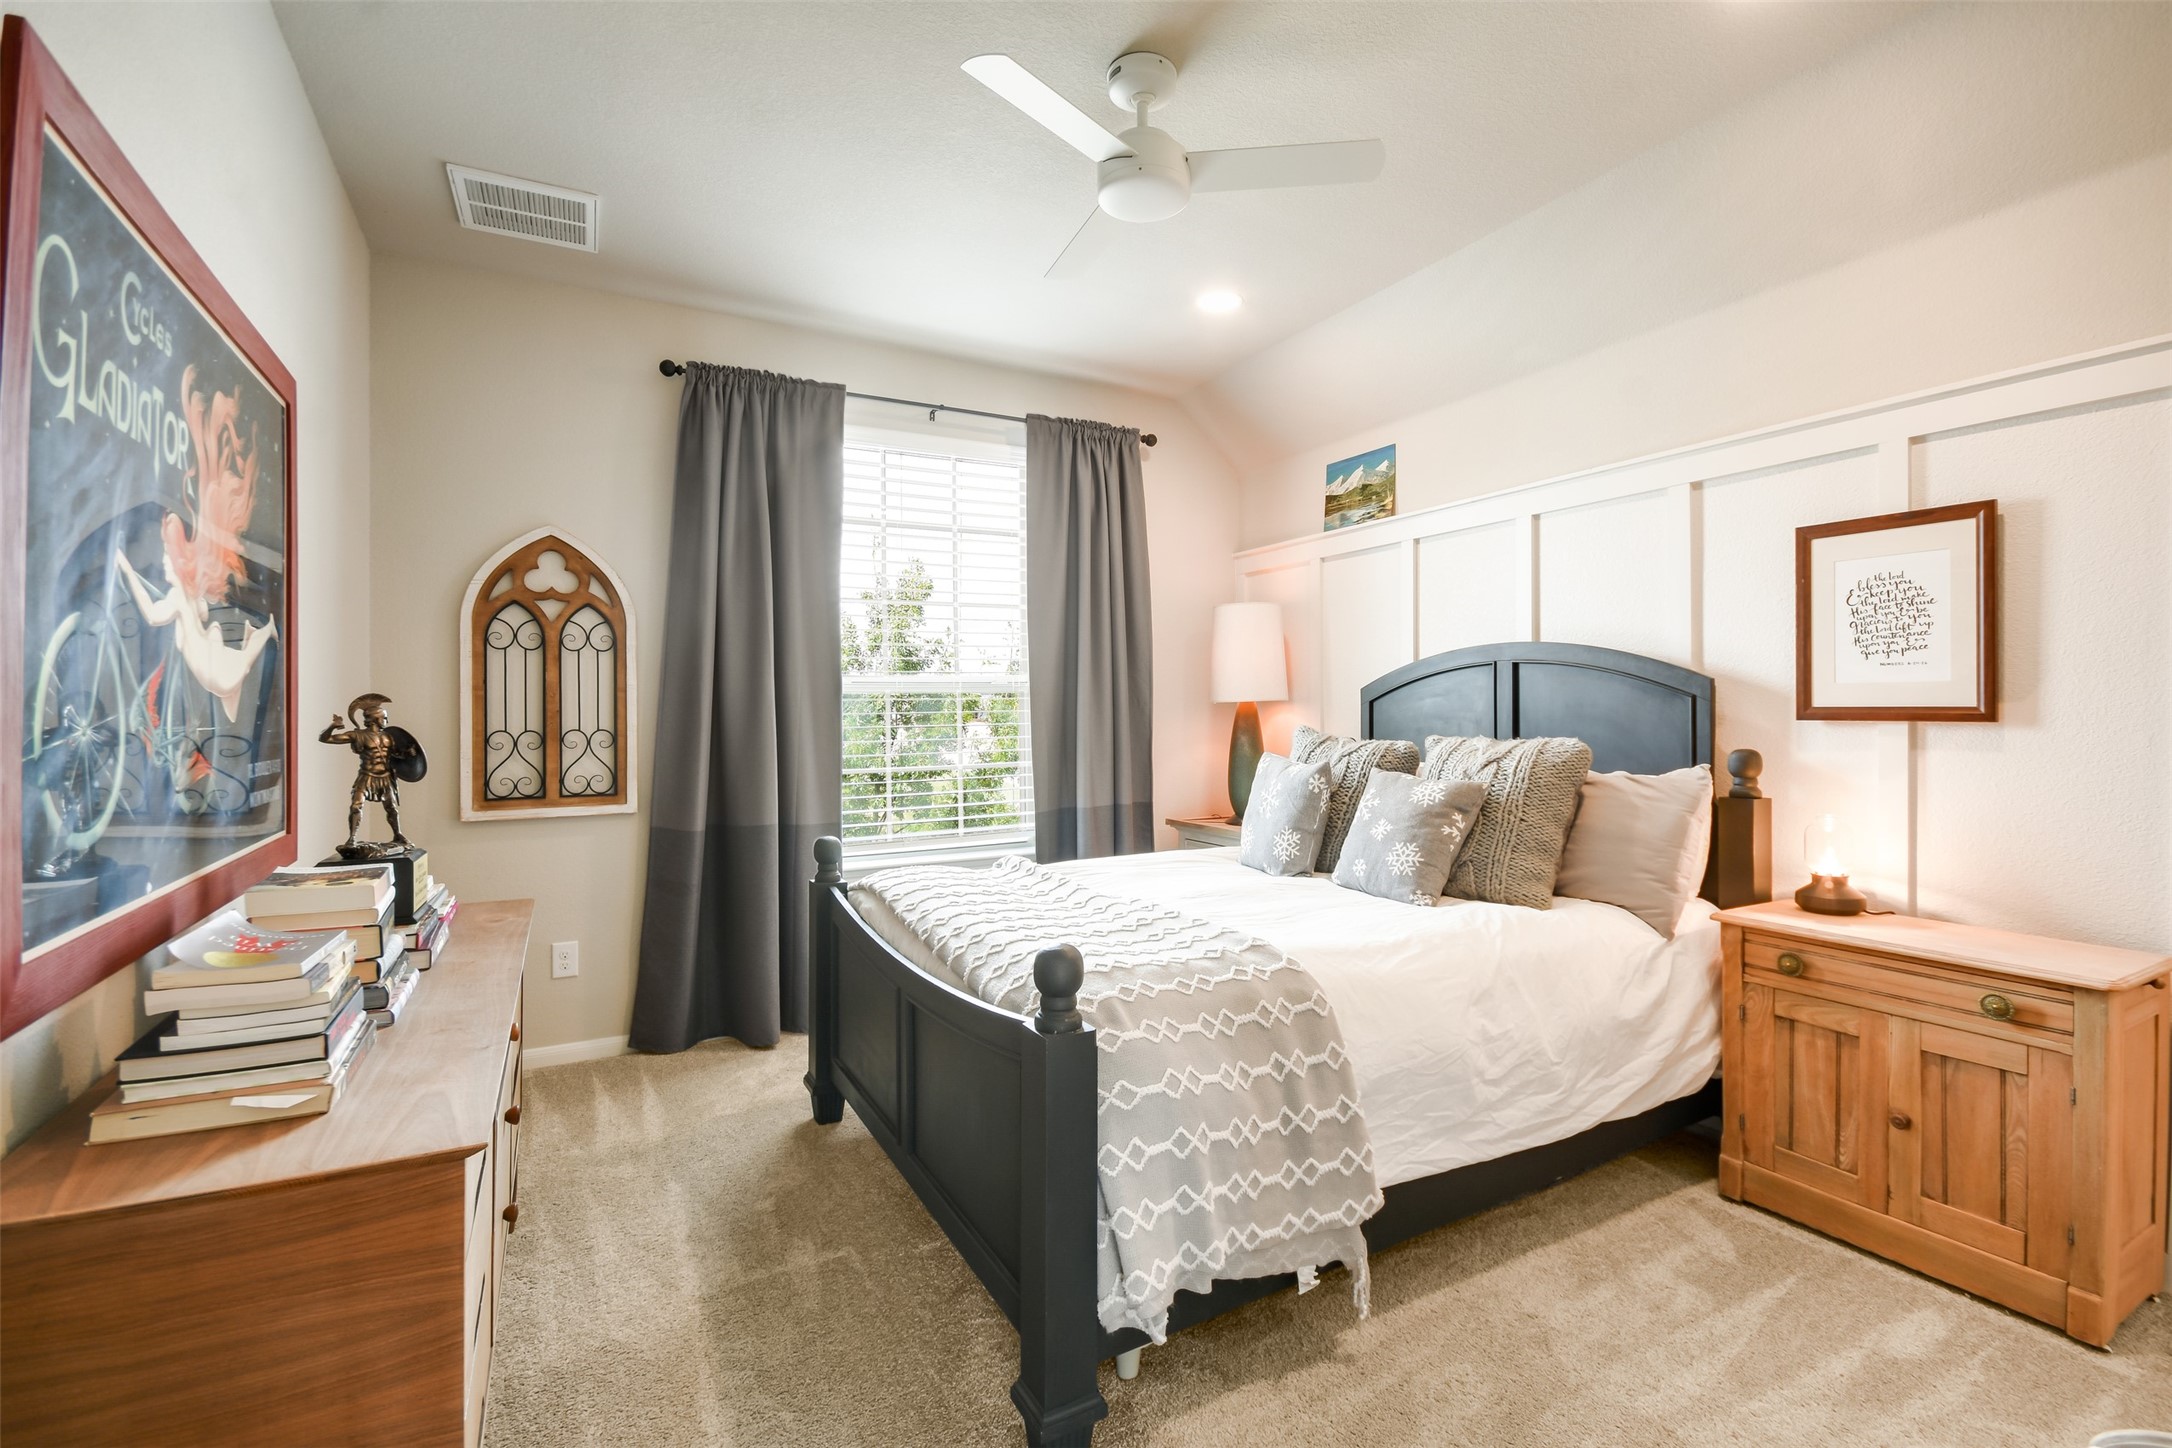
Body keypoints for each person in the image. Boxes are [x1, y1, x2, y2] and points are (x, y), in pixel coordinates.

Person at [321, 693, 410, 853]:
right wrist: (333, 726)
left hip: (386, 777)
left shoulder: (389, 737)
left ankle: (398, 835)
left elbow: (397, 755)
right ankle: (352, 838)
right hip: (367, 776)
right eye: (384, 718)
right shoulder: (358, 735)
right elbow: (326, 739)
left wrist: (410, 753)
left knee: (392, 808)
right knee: (356, 806)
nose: (386, 721)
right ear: (375, 719)